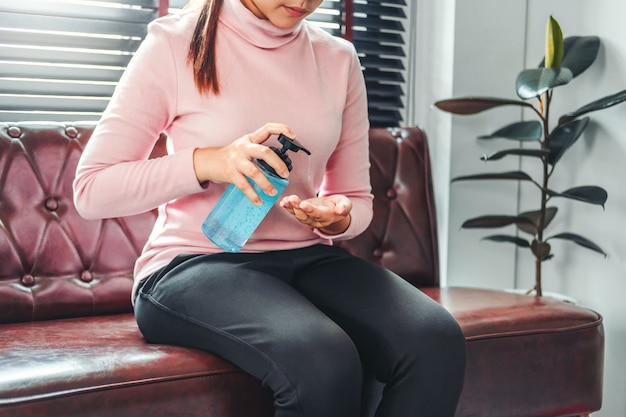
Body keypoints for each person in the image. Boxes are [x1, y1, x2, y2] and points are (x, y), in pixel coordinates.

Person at [73, 0, 467, 416]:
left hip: (308, 258)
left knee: (435, 339)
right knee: (322, 357)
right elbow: (92, 188)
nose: (303, 2)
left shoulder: (338, 58)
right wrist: (208, 162)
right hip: (193, 264)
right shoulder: (174, 43)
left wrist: (339, 216)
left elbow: (356, 198)